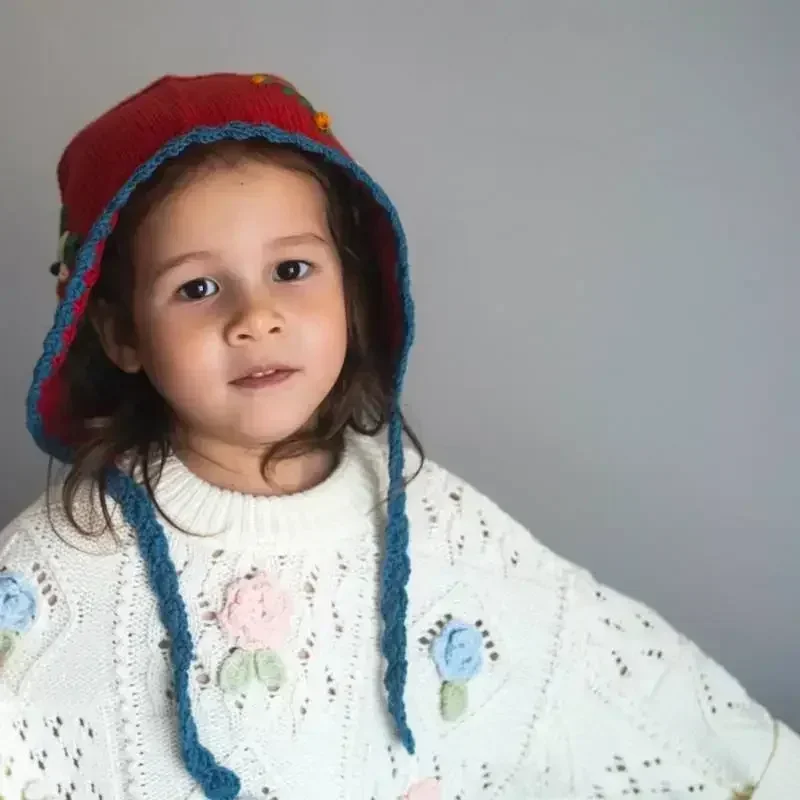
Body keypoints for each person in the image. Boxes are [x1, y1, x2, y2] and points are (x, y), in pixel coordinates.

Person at [0, 73, 796, 800]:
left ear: (353, 286)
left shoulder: (423, 513)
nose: (255, 318)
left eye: (292, 270)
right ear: (120, 333)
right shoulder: (66, 562)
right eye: (197, 287)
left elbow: (599, 678)